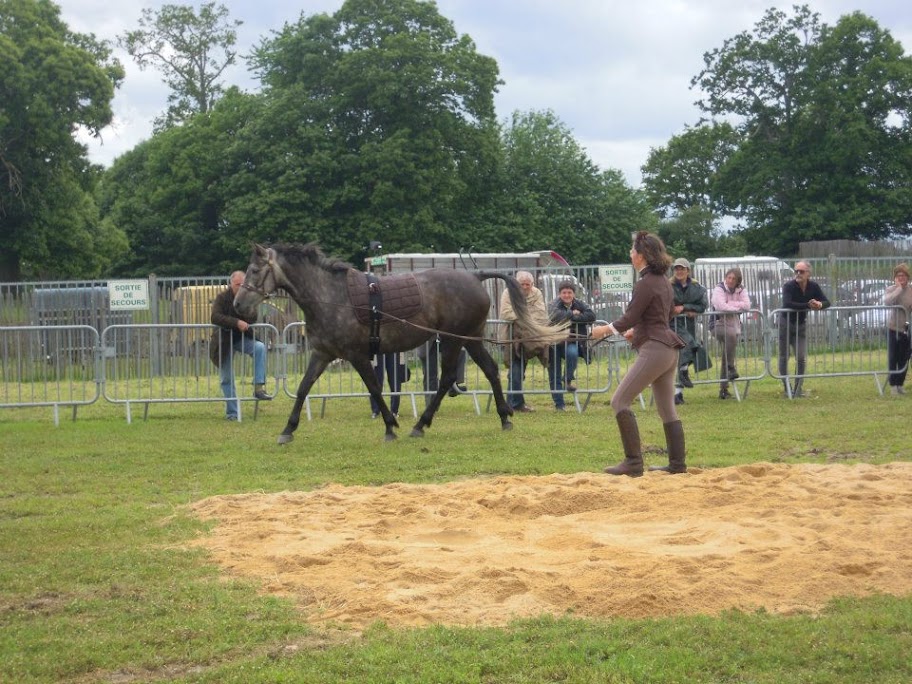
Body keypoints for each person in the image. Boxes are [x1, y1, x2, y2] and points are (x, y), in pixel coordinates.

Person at [591, 231, 686, 476]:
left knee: (619, 401)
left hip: (655, 350)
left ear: (642, 256)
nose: (630, 254)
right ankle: (677, 465)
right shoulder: (663, 281)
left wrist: (603, 330)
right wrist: (637, 330)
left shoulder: (645, 283)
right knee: (667, 409)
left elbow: (630, 316)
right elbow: (665, 314)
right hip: (668, 350)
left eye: (633, 251)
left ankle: (633, 462)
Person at [210, 270, 271, 421]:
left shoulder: (246, 297)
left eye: (243, 284)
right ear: (231, 284)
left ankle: (258, 387)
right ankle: (232, 413)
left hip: (241, 339)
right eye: (238, 284)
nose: (241, 287)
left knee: (259, 348)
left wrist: (250, 310)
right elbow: (215, 317)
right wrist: (236, 322)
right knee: (226, 378)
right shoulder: (222, 298)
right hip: (224, 342)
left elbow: (253, 318)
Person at [778, 261, 830, 398]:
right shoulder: (788, 286)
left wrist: (819, 304)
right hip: (785, 323)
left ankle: (798, 389)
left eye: (801, 271)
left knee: (801, 357)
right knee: (784, 356)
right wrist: (807, 305)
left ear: (808, 273)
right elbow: (787, 303)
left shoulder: (813, 286)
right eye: (796, 271)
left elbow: (827, 302)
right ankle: (787, 388)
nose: (798, 273)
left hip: (801, 325)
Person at [499, 270, 549, 413]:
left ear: (532, 284)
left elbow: (540, 313)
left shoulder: (537, 293)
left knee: (518, 371)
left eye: (528, 284)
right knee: (515, 370)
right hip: (510, 337)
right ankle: (514, 404)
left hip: (529, 337)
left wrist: (520, 316)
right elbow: (506, 313)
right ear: (517, 283)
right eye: (522, 284)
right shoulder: (508, 293)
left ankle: (514, 403)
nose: (525, 287)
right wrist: (527, 316)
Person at [547, 280, 595, 411]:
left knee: (573, 353)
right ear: (559, 294)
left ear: (574, 294)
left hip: (571, 341)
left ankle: (567, 379)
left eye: (569, 292)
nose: (567, 295)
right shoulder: (552, 304)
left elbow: (591, 316)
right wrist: (572, 313)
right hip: (554, 343)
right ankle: (559, 404)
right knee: (554, 373)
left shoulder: (580, 303)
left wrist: (572, 318)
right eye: (564, 293)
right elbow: (554, 315)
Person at [670, 257, 707, 405]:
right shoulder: (668, 286)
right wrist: (677, 310)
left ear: (688, 271)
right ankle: (681, 377)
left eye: (682, 269)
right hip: (672, 324)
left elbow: (702, 306)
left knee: (688, 351)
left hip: (688, 325)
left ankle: (678, 394)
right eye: (677, 268)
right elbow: (666, 305)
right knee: (688, 346)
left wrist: (685, 308)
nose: (679, 271)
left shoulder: (696, 287)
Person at [710, 267, 752, 399]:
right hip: (717, 325)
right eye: (729, 277)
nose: (730, 280)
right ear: (725, 277)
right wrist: (737, 306)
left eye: (734, 279)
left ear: (738, 281)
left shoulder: (742, 289)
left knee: (727, 355)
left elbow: (747, 306)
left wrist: (731, 303)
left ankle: (723, 389)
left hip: (734, 325)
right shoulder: (719, 289)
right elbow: (721, 306)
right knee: (731, 335)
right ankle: (731, 367)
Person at [884, 263, 912, 395]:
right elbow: (887, 302)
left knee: (903, 358)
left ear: (908, 277)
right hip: (893, 328)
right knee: (893, 357)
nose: (901, 277)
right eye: (898, 275)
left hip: (906, 329)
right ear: (895, 277)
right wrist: (899, 289)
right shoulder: (891, 289)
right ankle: (893, 385)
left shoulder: (911, 290)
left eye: (903, 275)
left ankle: (900, 384)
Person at [417, 336, 468, 402]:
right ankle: (431, 402)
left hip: (443, 337)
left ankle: (452, 386)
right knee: (430, 374)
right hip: (427, 340)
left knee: (459, 349)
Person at [369, 352, 408, 418]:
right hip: (377, 349)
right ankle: (375, 410)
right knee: (376, 380)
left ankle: (394, 410)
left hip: (394, 349)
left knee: (395, 380)